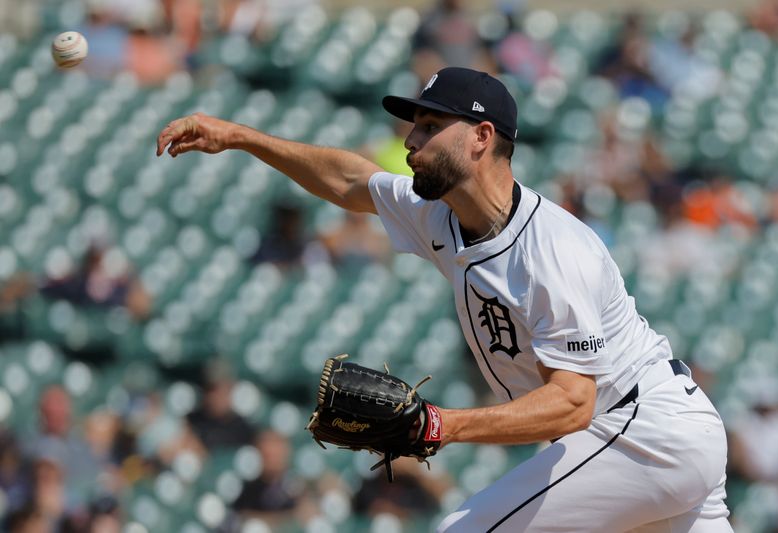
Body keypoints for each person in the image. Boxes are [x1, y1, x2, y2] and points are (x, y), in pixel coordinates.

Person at [156, 66, 732, 532]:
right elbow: (350, 181)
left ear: (481, 137)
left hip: (641, 431)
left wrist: (441, 424)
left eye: (430, 126)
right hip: (648, 438)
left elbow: (573, 404)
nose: (410, 142)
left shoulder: (555, 250)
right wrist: (241, 137)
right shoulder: (439, 213)